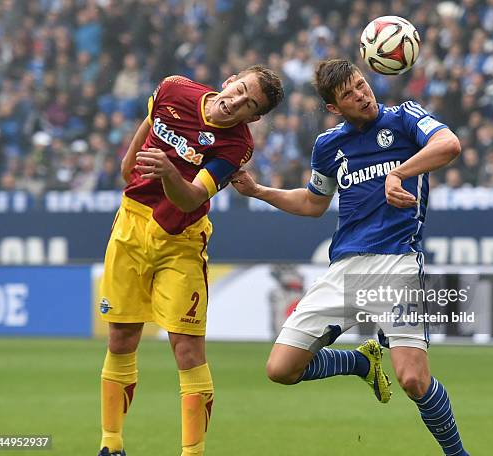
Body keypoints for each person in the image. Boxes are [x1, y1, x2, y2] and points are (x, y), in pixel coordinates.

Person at [232, 59, 469, 456]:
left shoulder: (406, 118)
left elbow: (449, 145)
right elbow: (312, 202)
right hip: (343, 270)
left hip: (397, 263)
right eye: (348, 95)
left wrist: (399, 174)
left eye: (361, 85)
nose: (362, 95)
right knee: (281, 370)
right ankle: (361, 363)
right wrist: (260, 192)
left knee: (413, 380)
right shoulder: (328, 146)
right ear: (334, 108)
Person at [97, 66, 284, 456]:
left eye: (249, 105)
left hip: (179, 239)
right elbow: (151, 120)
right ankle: (110, 446)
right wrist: (127, 163)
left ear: (253, 118)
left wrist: (167, 172)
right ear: (230, 78)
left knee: (186, 350)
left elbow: (189, 199)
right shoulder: (173, 88)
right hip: (130, 224)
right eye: (241, 89)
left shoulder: (236, 147)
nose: (236, 102)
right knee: (120, 338)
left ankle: (192, 453)